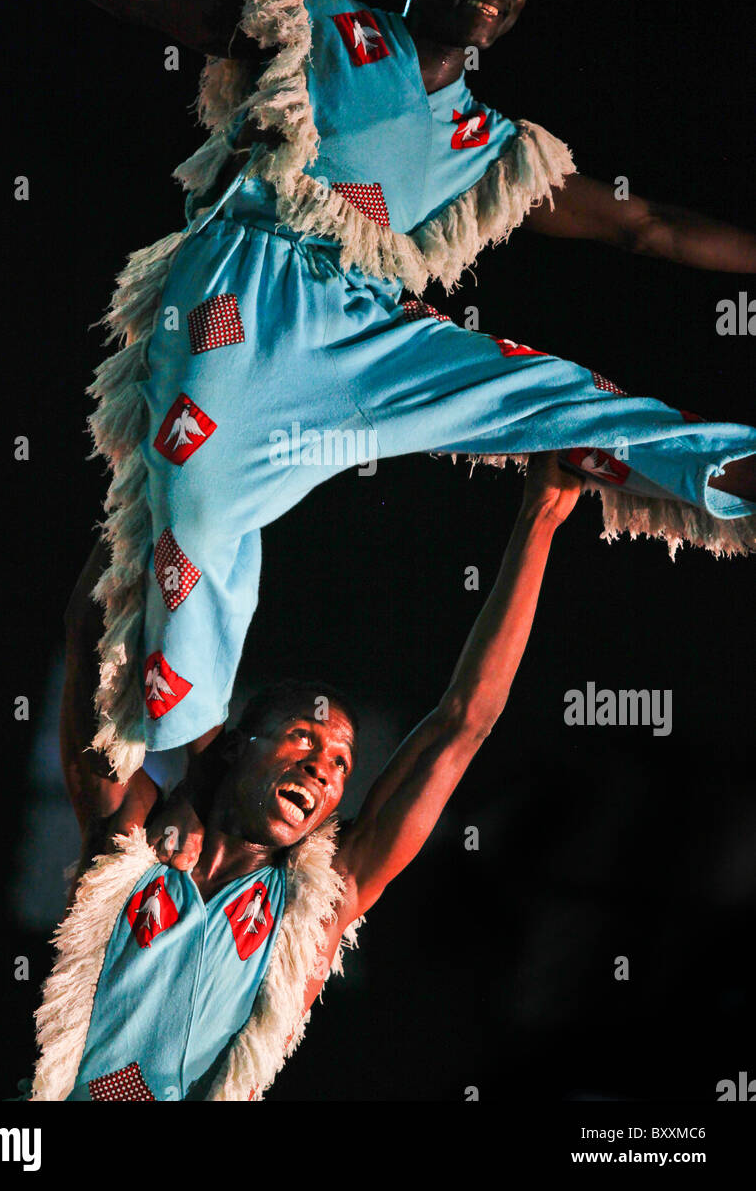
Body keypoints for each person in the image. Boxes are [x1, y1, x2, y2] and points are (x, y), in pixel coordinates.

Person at [0, 0, 756, 786]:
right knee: (198, 522)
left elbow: (646, 227)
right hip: (243, 295)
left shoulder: (489, 142)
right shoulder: (324, 26)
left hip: (359, 328)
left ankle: (734, 473)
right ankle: (185, 785)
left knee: (549, 393)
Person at [32, 453, 582, 1102]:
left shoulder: (320, 902)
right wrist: (158, 465)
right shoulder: (131, 831)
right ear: (238, 746)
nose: (322, 769)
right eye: (302, 739)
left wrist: (541, 518)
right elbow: (90, 629)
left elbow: (462, 723)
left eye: (341, 765)